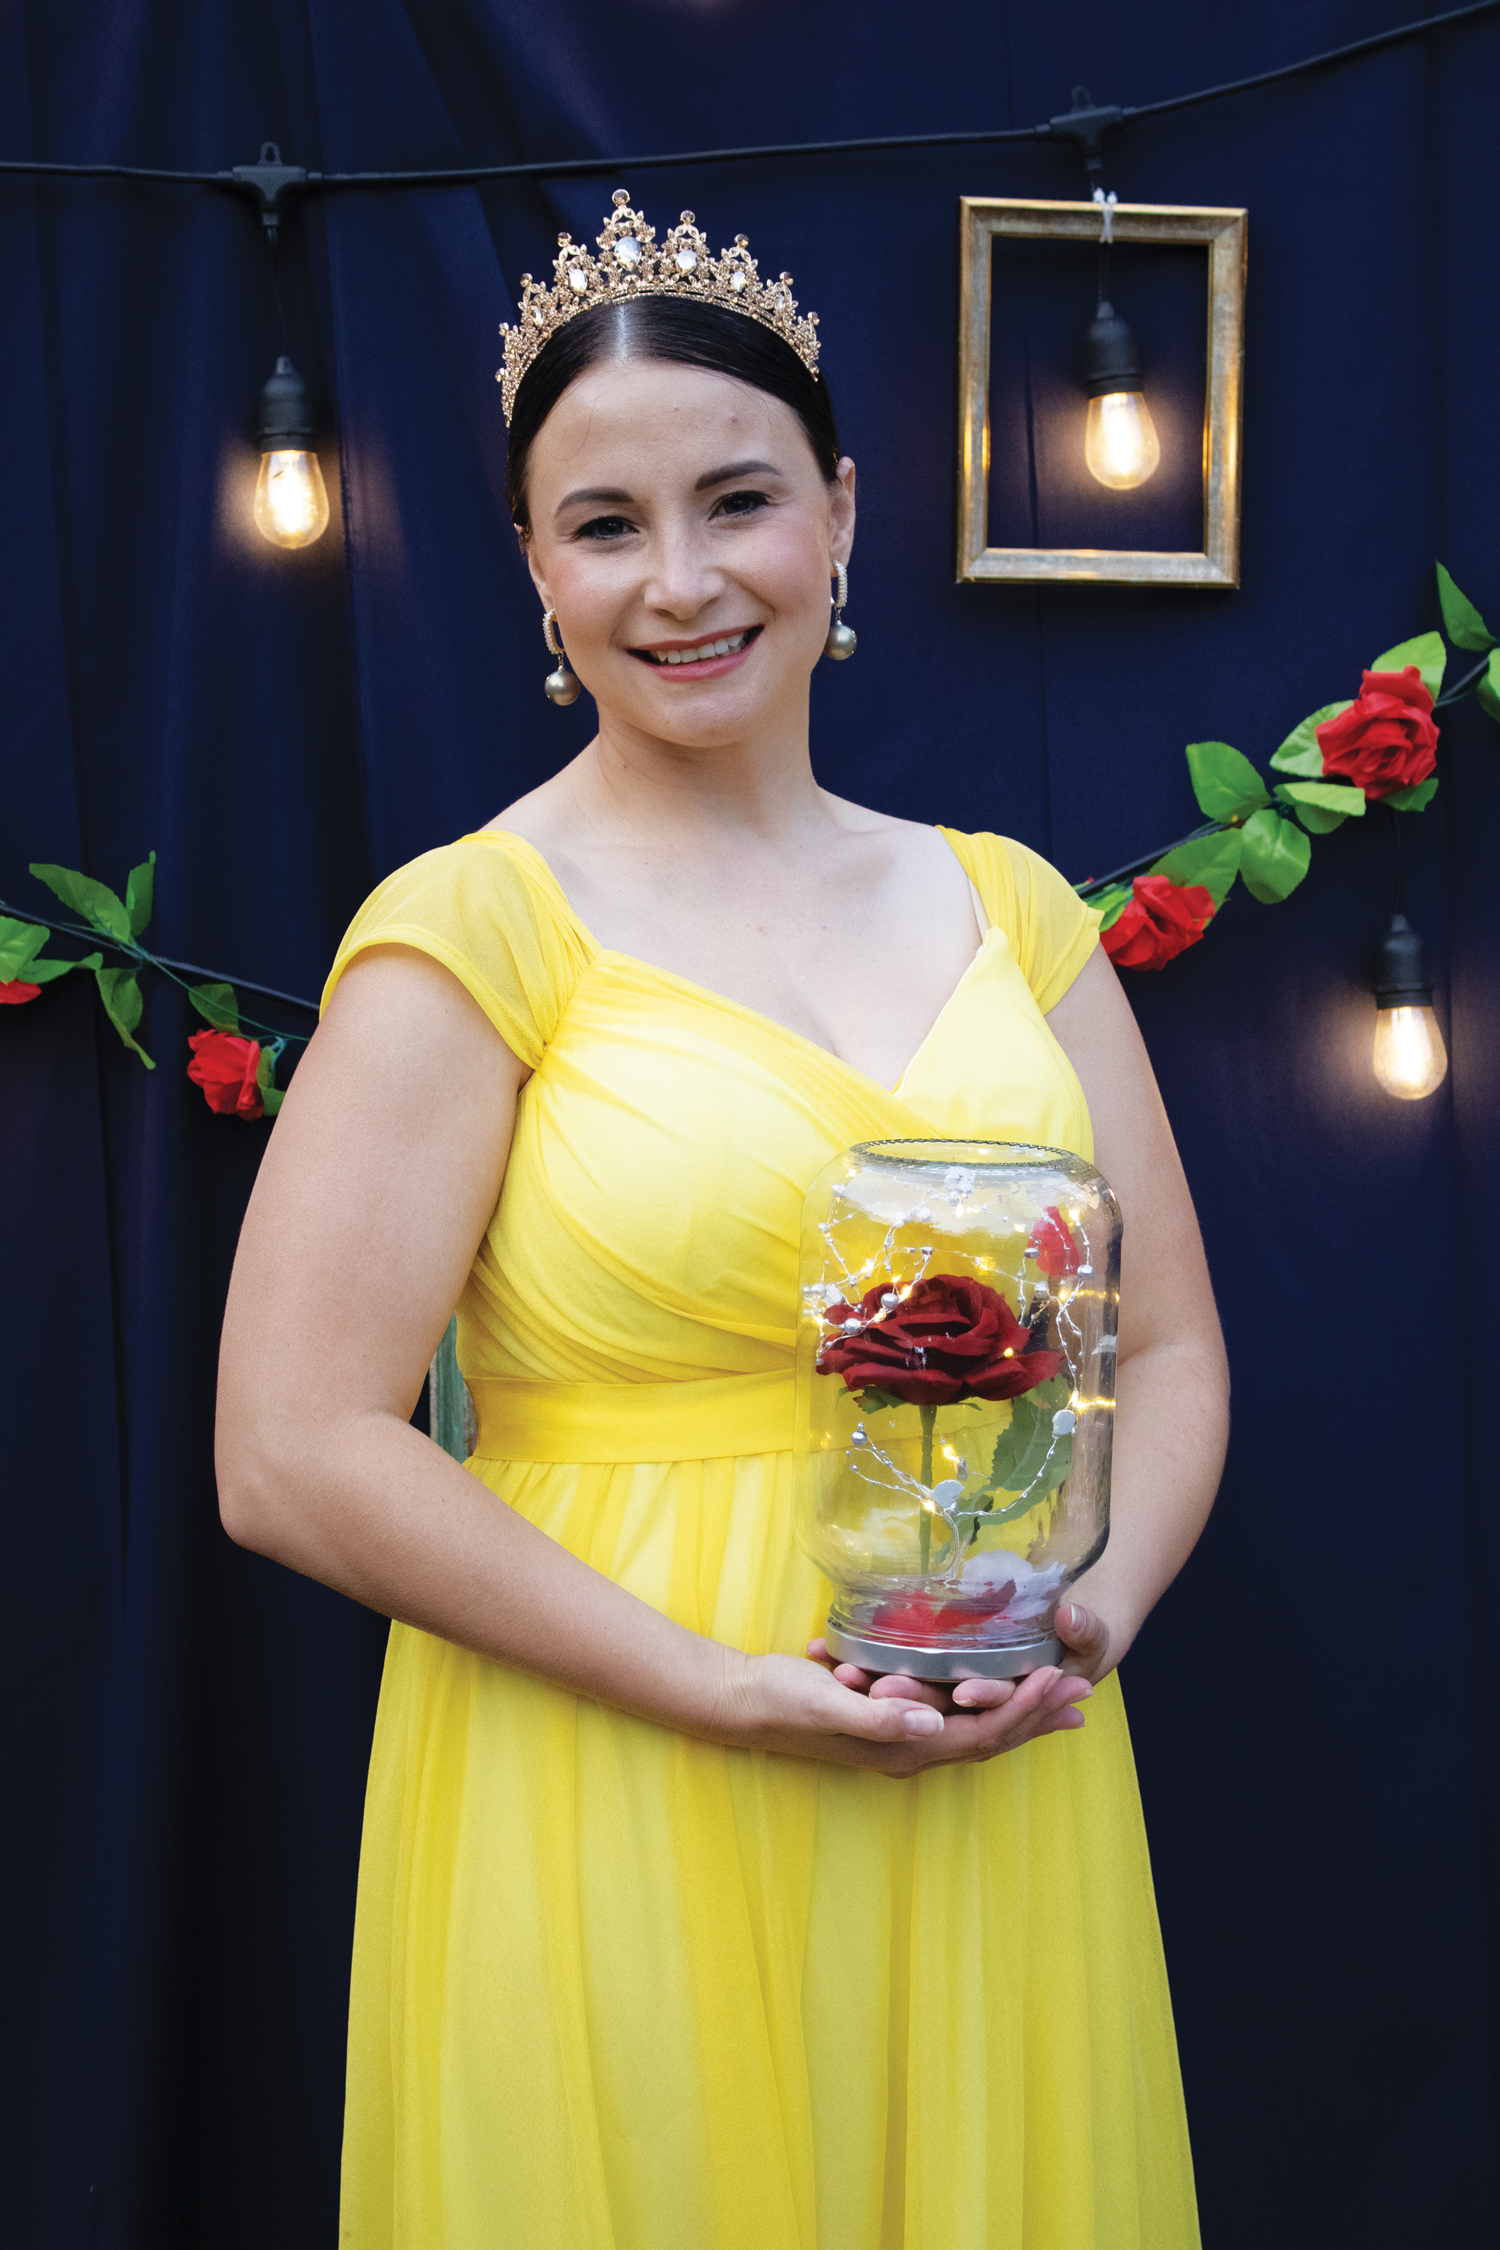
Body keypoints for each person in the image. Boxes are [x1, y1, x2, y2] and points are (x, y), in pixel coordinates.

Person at [216, 194, 1228, 2250]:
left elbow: (1174, 1347)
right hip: (616, 1774)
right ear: (534, 569)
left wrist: (1085, 1623)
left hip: (990, 1760)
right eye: (605, 526)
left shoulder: (1010, 907)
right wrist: (719, 1688)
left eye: (738, 500)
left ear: (843, 513)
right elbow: (289, 1449)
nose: (680, 582)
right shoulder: (470, 930)